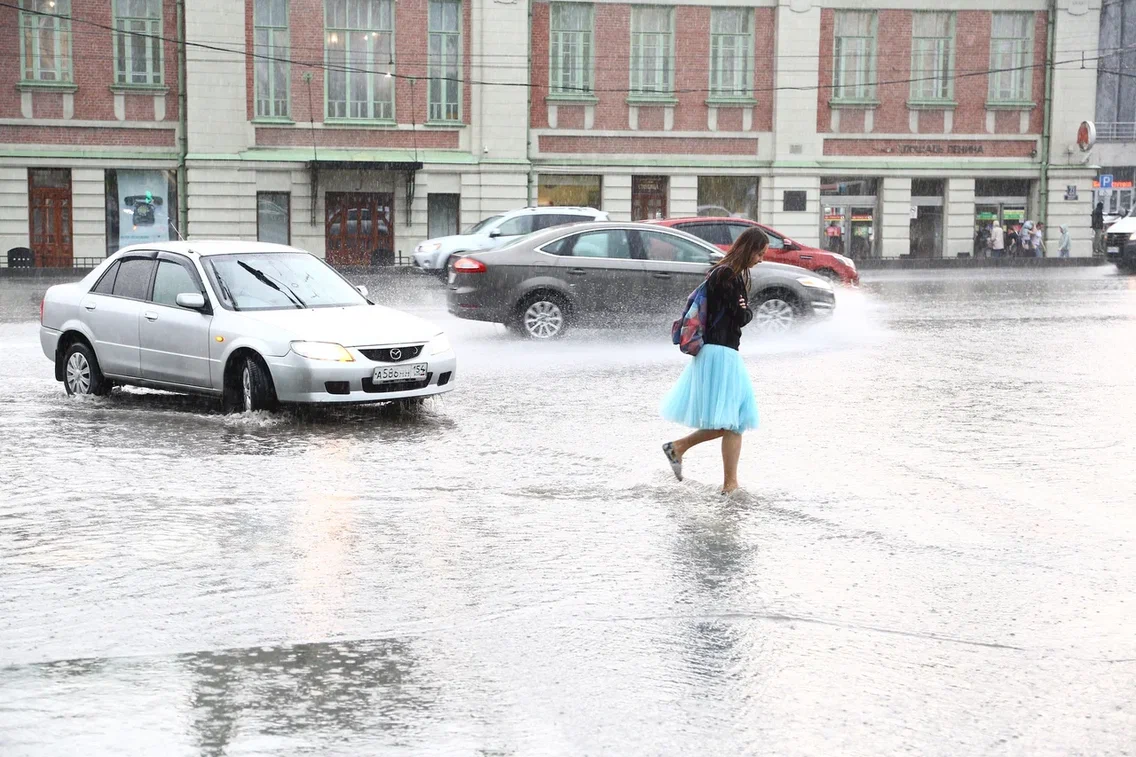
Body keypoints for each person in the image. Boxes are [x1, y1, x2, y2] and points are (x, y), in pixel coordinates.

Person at [661, 227, 766, 495]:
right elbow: (741, 316)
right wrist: (745, 309)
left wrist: (745, 308)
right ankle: (686, 452)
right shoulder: (726, 276)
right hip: (720, 352)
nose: (761, 259)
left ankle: (728, 483)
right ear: (749, 249)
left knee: (735, 421)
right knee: (732, 421)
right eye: (760, 253)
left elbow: (741, 312)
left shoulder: (725, 274)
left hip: (723, 352)